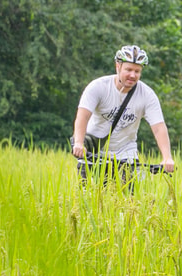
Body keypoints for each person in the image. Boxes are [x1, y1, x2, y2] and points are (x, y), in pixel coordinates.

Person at [71, 45, 175, 183]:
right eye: (129, 70)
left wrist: (167, 157)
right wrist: (78, 142)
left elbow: (158, 127)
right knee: (88, 197)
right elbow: (83, 116)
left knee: (132, 199)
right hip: (94, 153)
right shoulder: (98, 87)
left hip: (126, 152)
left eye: (137, 71)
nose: (133, 75)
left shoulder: (147, 95)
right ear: (118, 67)